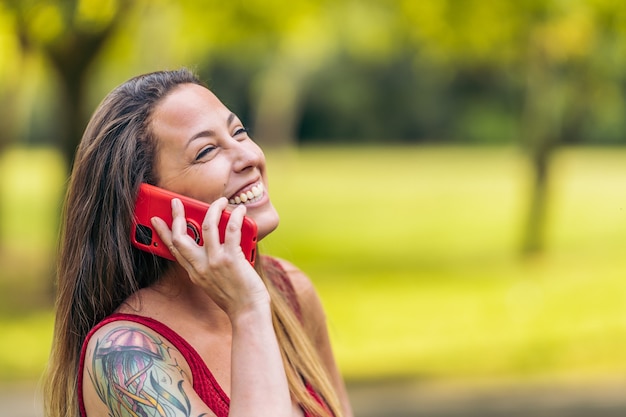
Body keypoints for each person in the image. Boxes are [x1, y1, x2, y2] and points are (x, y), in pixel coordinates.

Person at [43, 68, 353, 417]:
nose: (249, 156)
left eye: (239, 132)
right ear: (148, 205)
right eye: (206, 151)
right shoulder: (127, 358)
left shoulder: (291, 294)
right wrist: (248, 312)